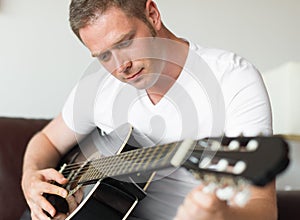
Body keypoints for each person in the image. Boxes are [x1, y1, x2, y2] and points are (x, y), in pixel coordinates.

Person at [21, 0, 277, 220]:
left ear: (152, 14)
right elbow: (45, 140)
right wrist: (30, 177)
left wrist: (221, 215)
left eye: (124, 43)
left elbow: (262, 208)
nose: (121, 66)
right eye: (103, 56)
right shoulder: (97, 88)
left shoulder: (232, 78)